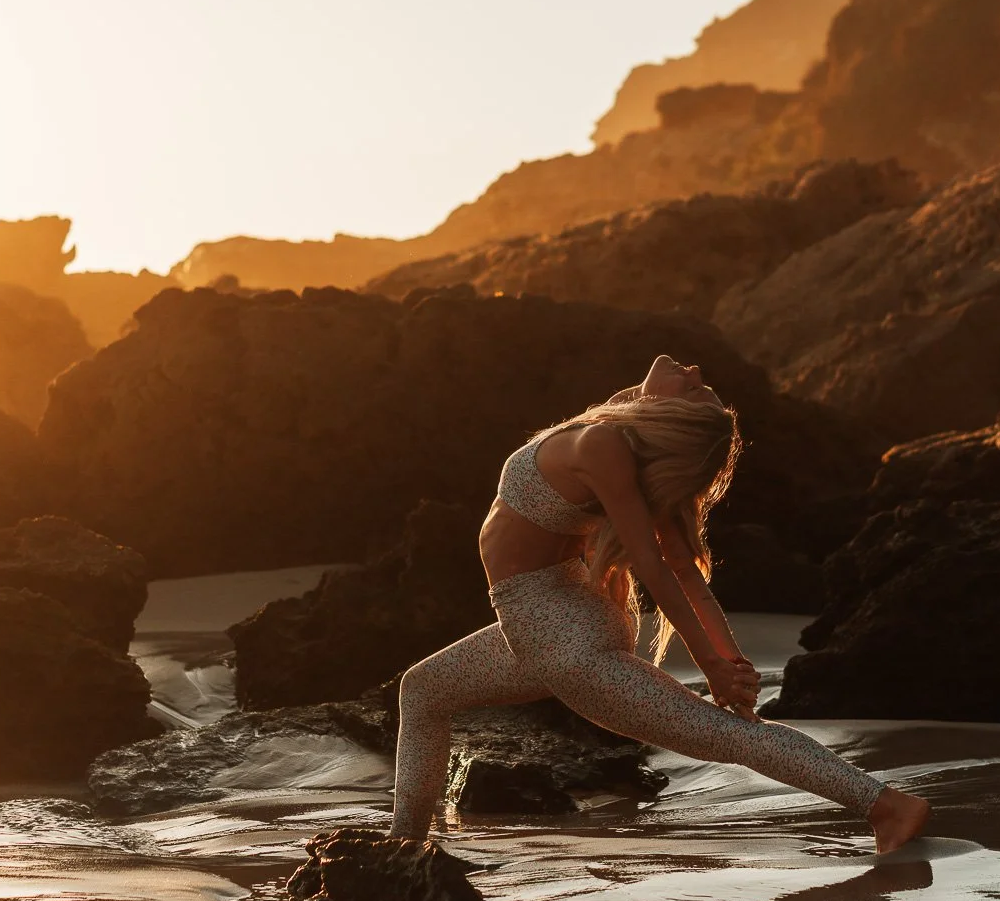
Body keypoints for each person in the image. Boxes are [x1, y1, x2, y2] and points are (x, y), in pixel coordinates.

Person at [389, 354, 931, 852]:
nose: (692, 370)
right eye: (698, 382)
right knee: (423, 691)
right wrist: (727, 662)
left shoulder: (604, 446)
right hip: (542, 626)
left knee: (730, 738)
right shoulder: (624, 426)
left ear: (675, 416)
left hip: (561, 638)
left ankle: (887, 807)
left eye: (698, 389)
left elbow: (655, 567)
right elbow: (686, 574)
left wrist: (719, 667)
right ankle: (404, 845)